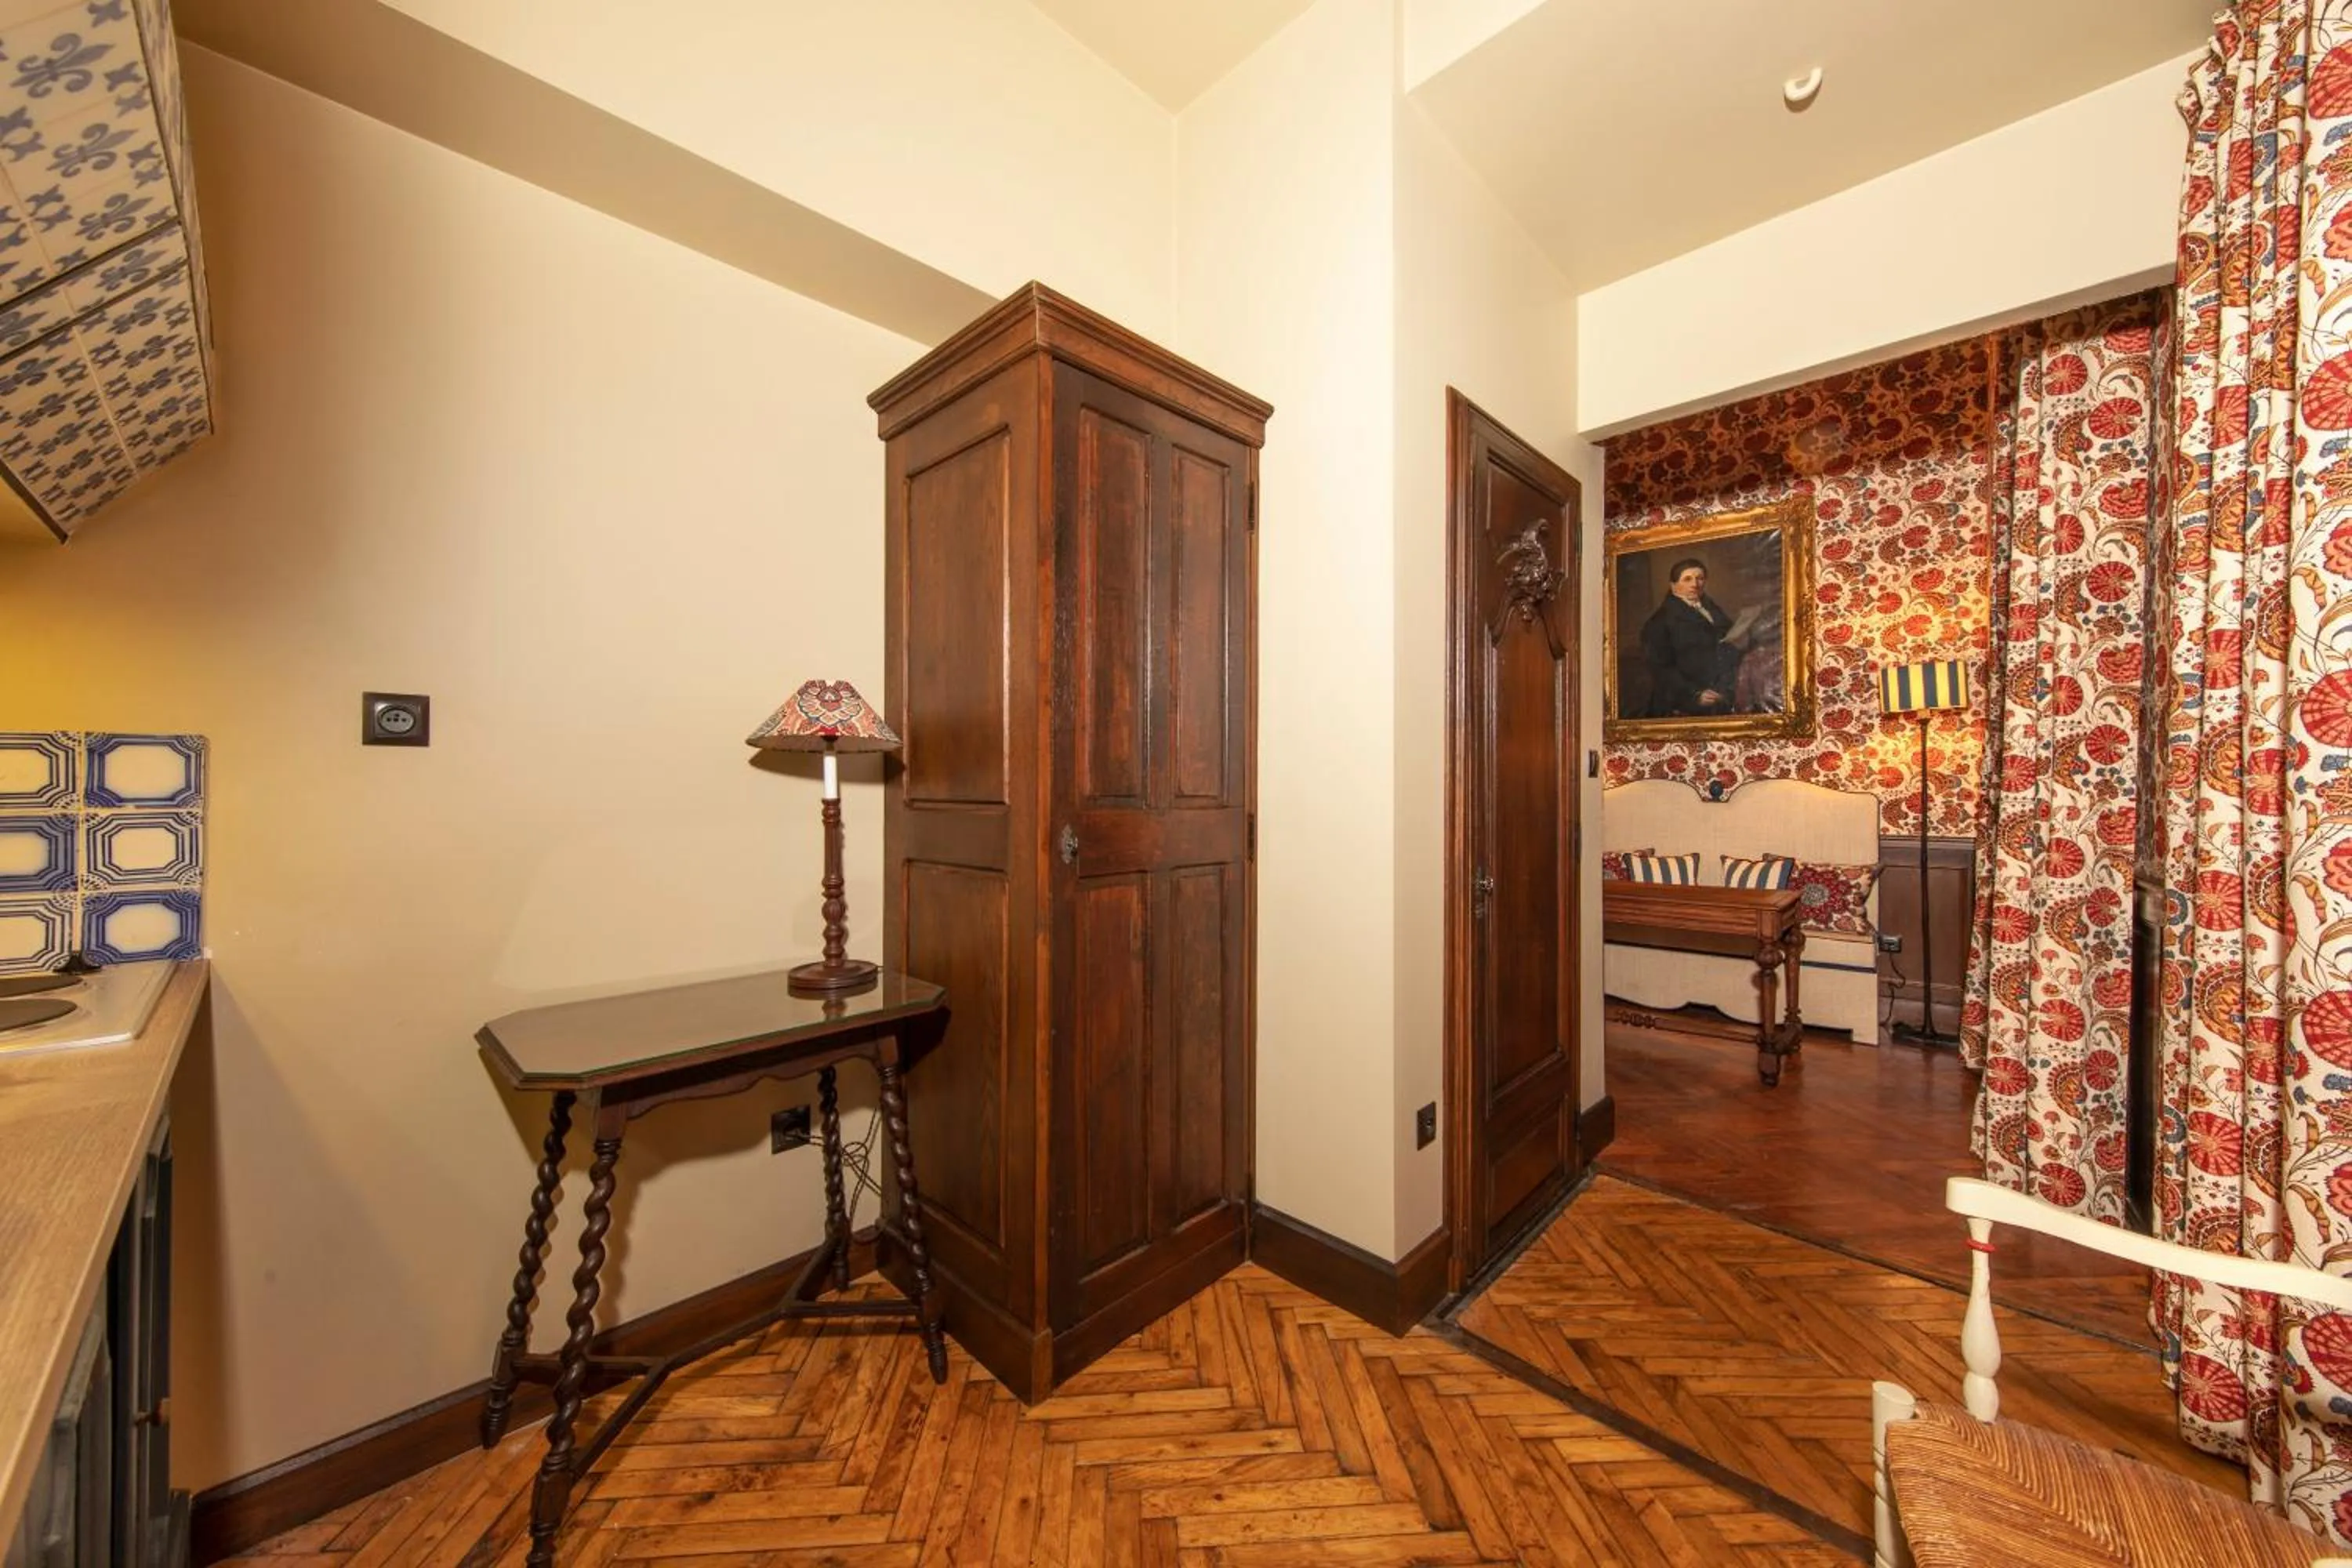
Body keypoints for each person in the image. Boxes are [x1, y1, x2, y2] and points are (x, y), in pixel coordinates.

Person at [1637, 557, 1757, 717]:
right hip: (1682, 701)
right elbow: (1661, 669)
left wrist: (1743, 638)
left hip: (1721, 690)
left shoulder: (1710, 608)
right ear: (1673, 585)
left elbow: (1727, 637)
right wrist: (1694, 695)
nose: (1695, 584)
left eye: (1699, 578)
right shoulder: (1659, 622)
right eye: (1687, 579)